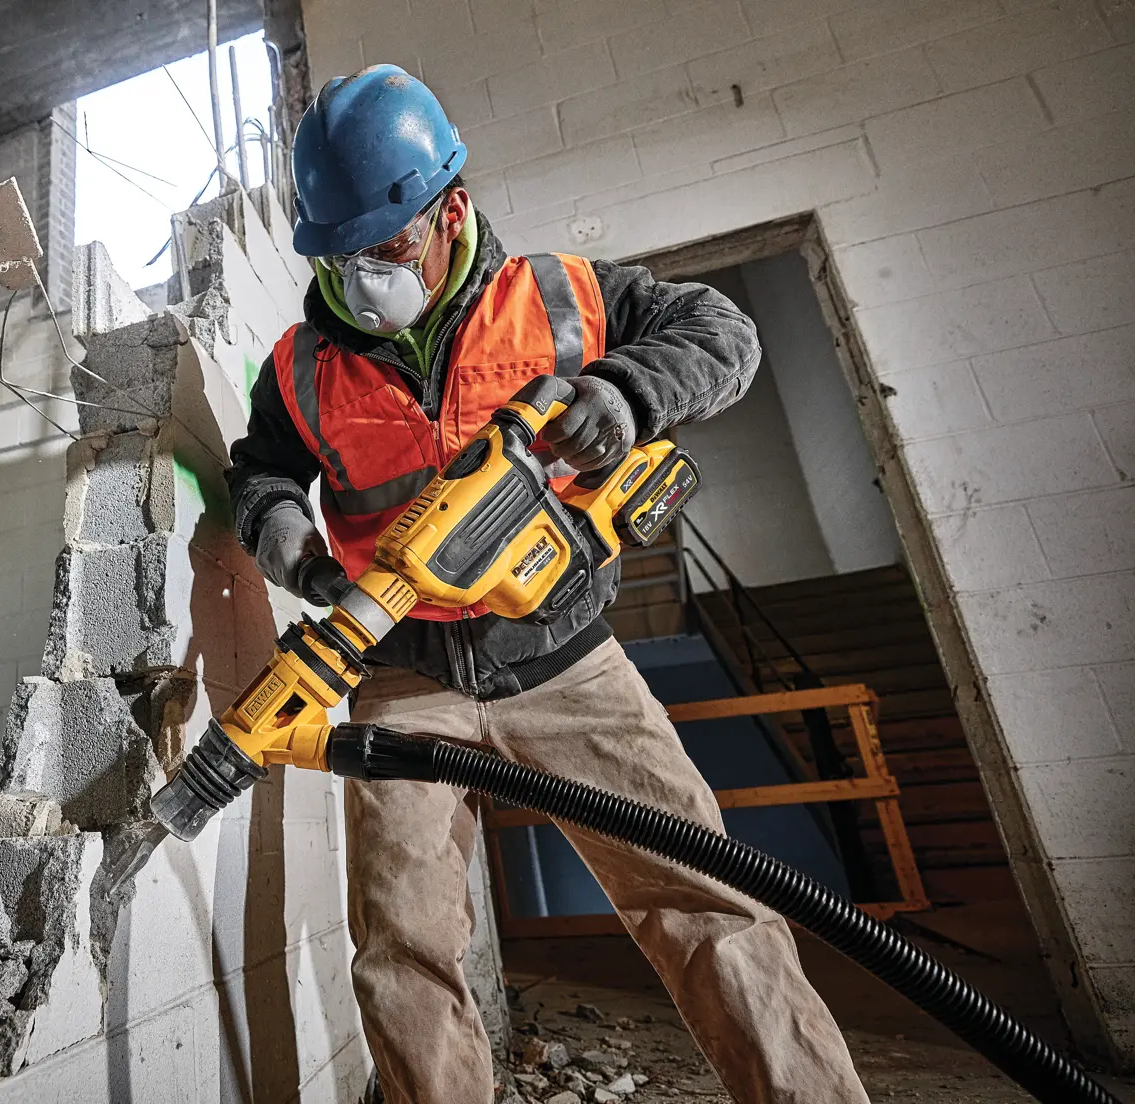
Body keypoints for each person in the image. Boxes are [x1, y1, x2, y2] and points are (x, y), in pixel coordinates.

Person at [226, 65, 871, 1104]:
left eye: (386, 248)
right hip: (402, 675)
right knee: (403, 951)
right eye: (339, 255)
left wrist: (627, 392)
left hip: (568, 661)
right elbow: (257, 472)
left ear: (451, 212)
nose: (363, 277)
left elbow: (725, 335)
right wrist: (286, 538)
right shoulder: (300, 364)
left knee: (706, 900)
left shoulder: (564, 296)